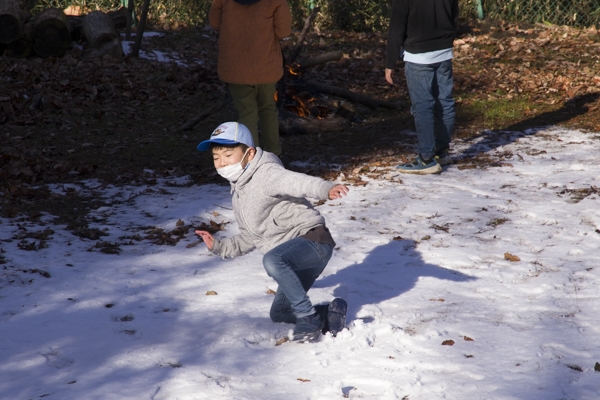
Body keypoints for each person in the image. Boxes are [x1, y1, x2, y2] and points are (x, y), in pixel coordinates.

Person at [195, 121, 349, 342]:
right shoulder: (239, 191)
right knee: (280, 314)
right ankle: (329, 315)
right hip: (292, 259)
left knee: (272, 261)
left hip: (312, 241)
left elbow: (296, 182)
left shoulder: (266, 173)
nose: (221, 163)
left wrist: (325, 188)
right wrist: (218, 246)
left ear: (249, 154)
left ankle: (307, 317)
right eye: (216, 158)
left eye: (228, 155)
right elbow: (251, 236)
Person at [208, 0, 291, 157]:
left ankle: (252, 159)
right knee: (268, 111)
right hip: (266, 66)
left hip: (236, 67)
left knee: (247, 114)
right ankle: (274, 157)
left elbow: (215, 23)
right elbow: (284, 31)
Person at [385, 0, 459, 174]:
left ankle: (427, 159)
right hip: (443, 52)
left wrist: (390, 63)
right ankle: (441, 152)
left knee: (423, 106)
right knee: (445, 102)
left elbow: (396, 28)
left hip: (418, 55)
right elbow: (454, 16)